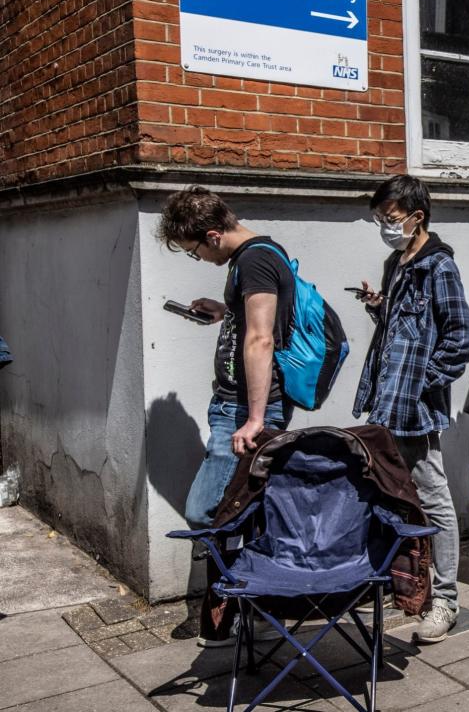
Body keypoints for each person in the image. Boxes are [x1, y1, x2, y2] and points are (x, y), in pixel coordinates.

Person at [156, 185, 296, 646]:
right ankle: (241, 606)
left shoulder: (255, 260)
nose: (197, 257)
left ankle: (232, 602)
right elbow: (255, 322)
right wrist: (224, 312)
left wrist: (254, 418)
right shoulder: (251, 260)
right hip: (236, 403)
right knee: (241, 506)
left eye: (194, 250)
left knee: (206, 509)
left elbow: (261, 339)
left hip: (245, 406)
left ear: (213, 235)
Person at [352, 175, 469, 642]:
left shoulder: (438, 267)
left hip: (415, 408)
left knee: (433, 500)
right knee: (393, 496)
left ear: (416, 216)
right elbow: (407, 327)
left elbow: (462, 336)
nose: (385, 226)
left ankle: (445, 600)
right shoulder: (397, 262)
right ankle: (407, 585)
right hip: (387, 402)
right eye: (380, 219)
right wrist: (378, 307)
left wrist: (423, 382)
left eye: (390, 218)